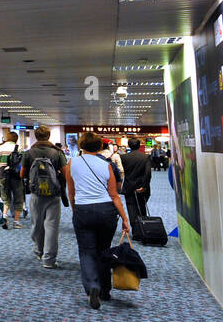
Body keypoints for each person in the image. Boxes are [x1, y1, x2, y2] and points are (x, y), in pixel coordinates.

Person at [69, 130, 132, 309]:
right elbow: (114, 195)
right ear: (100, 146)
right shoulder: (107, 165)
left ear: (81, 145)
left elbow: (71, 193)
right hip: (106, 211)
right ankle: (105, 290)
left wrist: (76, 211)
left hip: (83, 210)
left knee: (86, 251)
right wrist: (124, 218)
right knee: (104, 250)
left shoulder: (72, 163)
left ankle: (92, 286)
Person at [22, 124, 69, 269]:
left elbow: (22, 174)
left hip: (36, 194)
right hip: (53, 194)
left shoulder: (29, 153)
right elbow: (66, 173)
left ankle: (38, 250)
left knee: (37, 224)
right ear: (49, 137)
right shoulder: (57, 153)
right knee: (51, 226)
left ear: (36, 136)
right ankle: (48, 259)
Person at [0, 131, 26, 228]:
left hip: (3, 175)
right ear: (16, 139)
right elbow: (22, 164)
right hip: (16, 176)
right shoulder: (19, 148)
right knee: (18, 198)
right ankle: (16, 222)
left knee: (5, 197)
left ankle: (4, 216)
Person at [120, 137, 152, 222]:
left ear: (129, 146)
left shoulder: (123, 157)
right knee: (142, 207)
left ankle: (135, 231)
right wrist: (144, 186)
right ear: (139, 145)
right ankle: (143, 228)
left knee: (131, 209)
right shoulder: (146, 157)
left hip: (129, 187)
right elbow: (148, 173)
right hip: (141, 187)